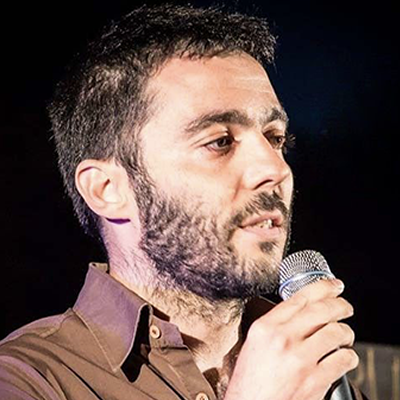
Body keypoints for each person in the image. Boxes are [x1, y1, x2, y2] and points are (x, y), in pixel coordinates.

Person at [0, 4, 365, 400]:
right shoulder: (26, 379)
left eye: (276, 138)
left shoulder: (318, 377)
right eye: (219, 142)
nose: (275, 169)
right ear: (107, 189)